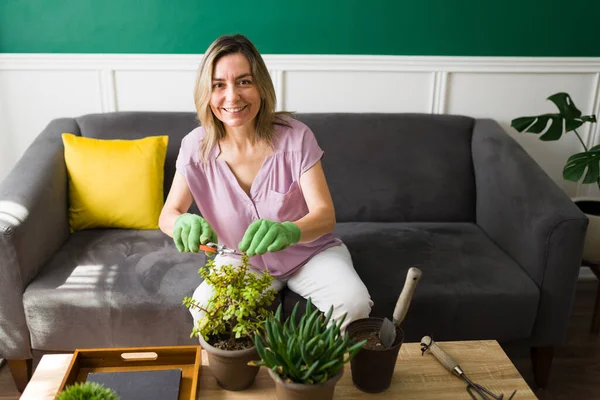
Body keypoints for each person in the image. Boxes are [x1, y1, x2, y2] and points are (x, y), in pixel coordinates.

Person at [159, 34, 372, 333]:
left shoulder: (296, 136)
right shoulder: (195, 147)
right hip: (240, 260)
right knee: (205, 311)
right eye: (219, 85)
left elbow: (325, 216)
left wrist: (289, 231)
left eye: (244, 82)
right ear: (206, 93)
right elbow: (168, 214)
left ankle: (318, 377)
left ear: (261, 87)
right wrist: (181, 222)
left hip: (310, 254)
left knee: (355, 303)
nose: (232, 97)